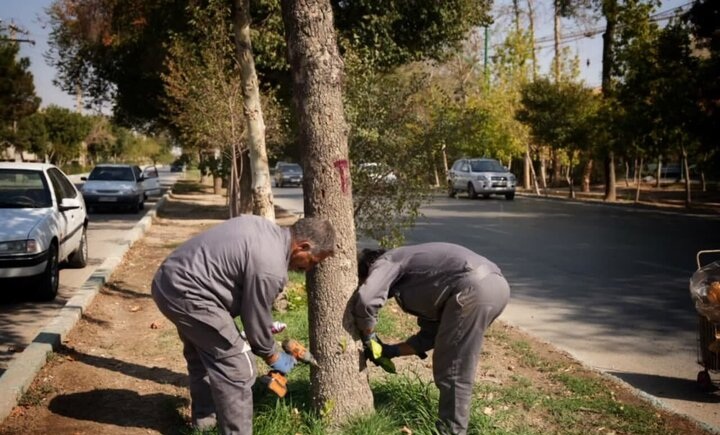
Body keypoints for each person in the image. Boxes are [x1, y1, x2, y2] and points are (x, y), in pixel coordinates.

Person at [151, 215, 335, 435]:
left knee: (204, 357)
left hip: (170, 281)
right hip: (189, 293)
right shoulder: (271, 267)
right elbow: (254, 320)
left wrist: (268, 337)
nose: (309, 269)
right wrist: (273, 356)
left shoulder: (265, 230)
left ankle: (204, 426)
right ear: (303, 246)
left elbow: (254, 308)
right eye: (312, 261)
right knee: (239, 368)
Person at [353, 242, 510, 435]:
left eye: (364, 281)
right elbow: (430, 336)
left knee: (453, 369)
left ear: (368, 273)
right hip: (495, 287)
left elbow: (367, 300)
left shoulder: (386, 261)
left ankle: (452, 432)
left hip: (473, 288)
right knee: (452, 362)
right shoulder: (421, 281)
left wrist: (368, 336)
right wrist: (389, 351)